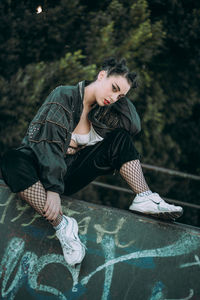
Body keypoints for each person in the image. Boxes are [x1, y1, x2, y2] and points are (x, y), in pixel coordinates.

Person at [0, 57, 183, 266]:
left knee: (120, 138)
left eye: (120, 96)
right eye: (113, 88)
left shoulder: (105, 113)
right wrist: (52, 189)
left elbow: (133, 126)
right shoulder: (65, 95)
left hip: (67, 176)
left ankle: (144, 196)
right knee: (11, 160)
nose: (114, 98)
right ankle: (63, 226)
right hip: (37, 173)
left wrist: (119, 94)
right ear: (101, 75)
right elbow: (47, 144)